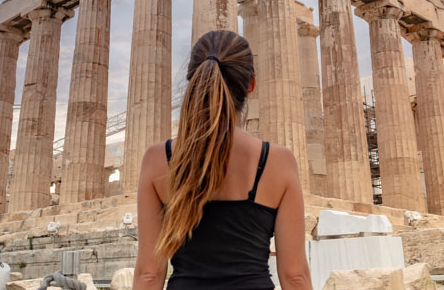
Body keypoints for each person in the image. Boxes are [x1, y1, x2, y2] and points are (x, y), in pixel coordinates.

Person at [133, 30, 312, 289]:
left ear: (191, 80)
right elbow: (295, 275)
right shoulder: (278, 161)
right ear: (251, 85)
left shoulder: (158, 159)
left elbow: (149, 274)